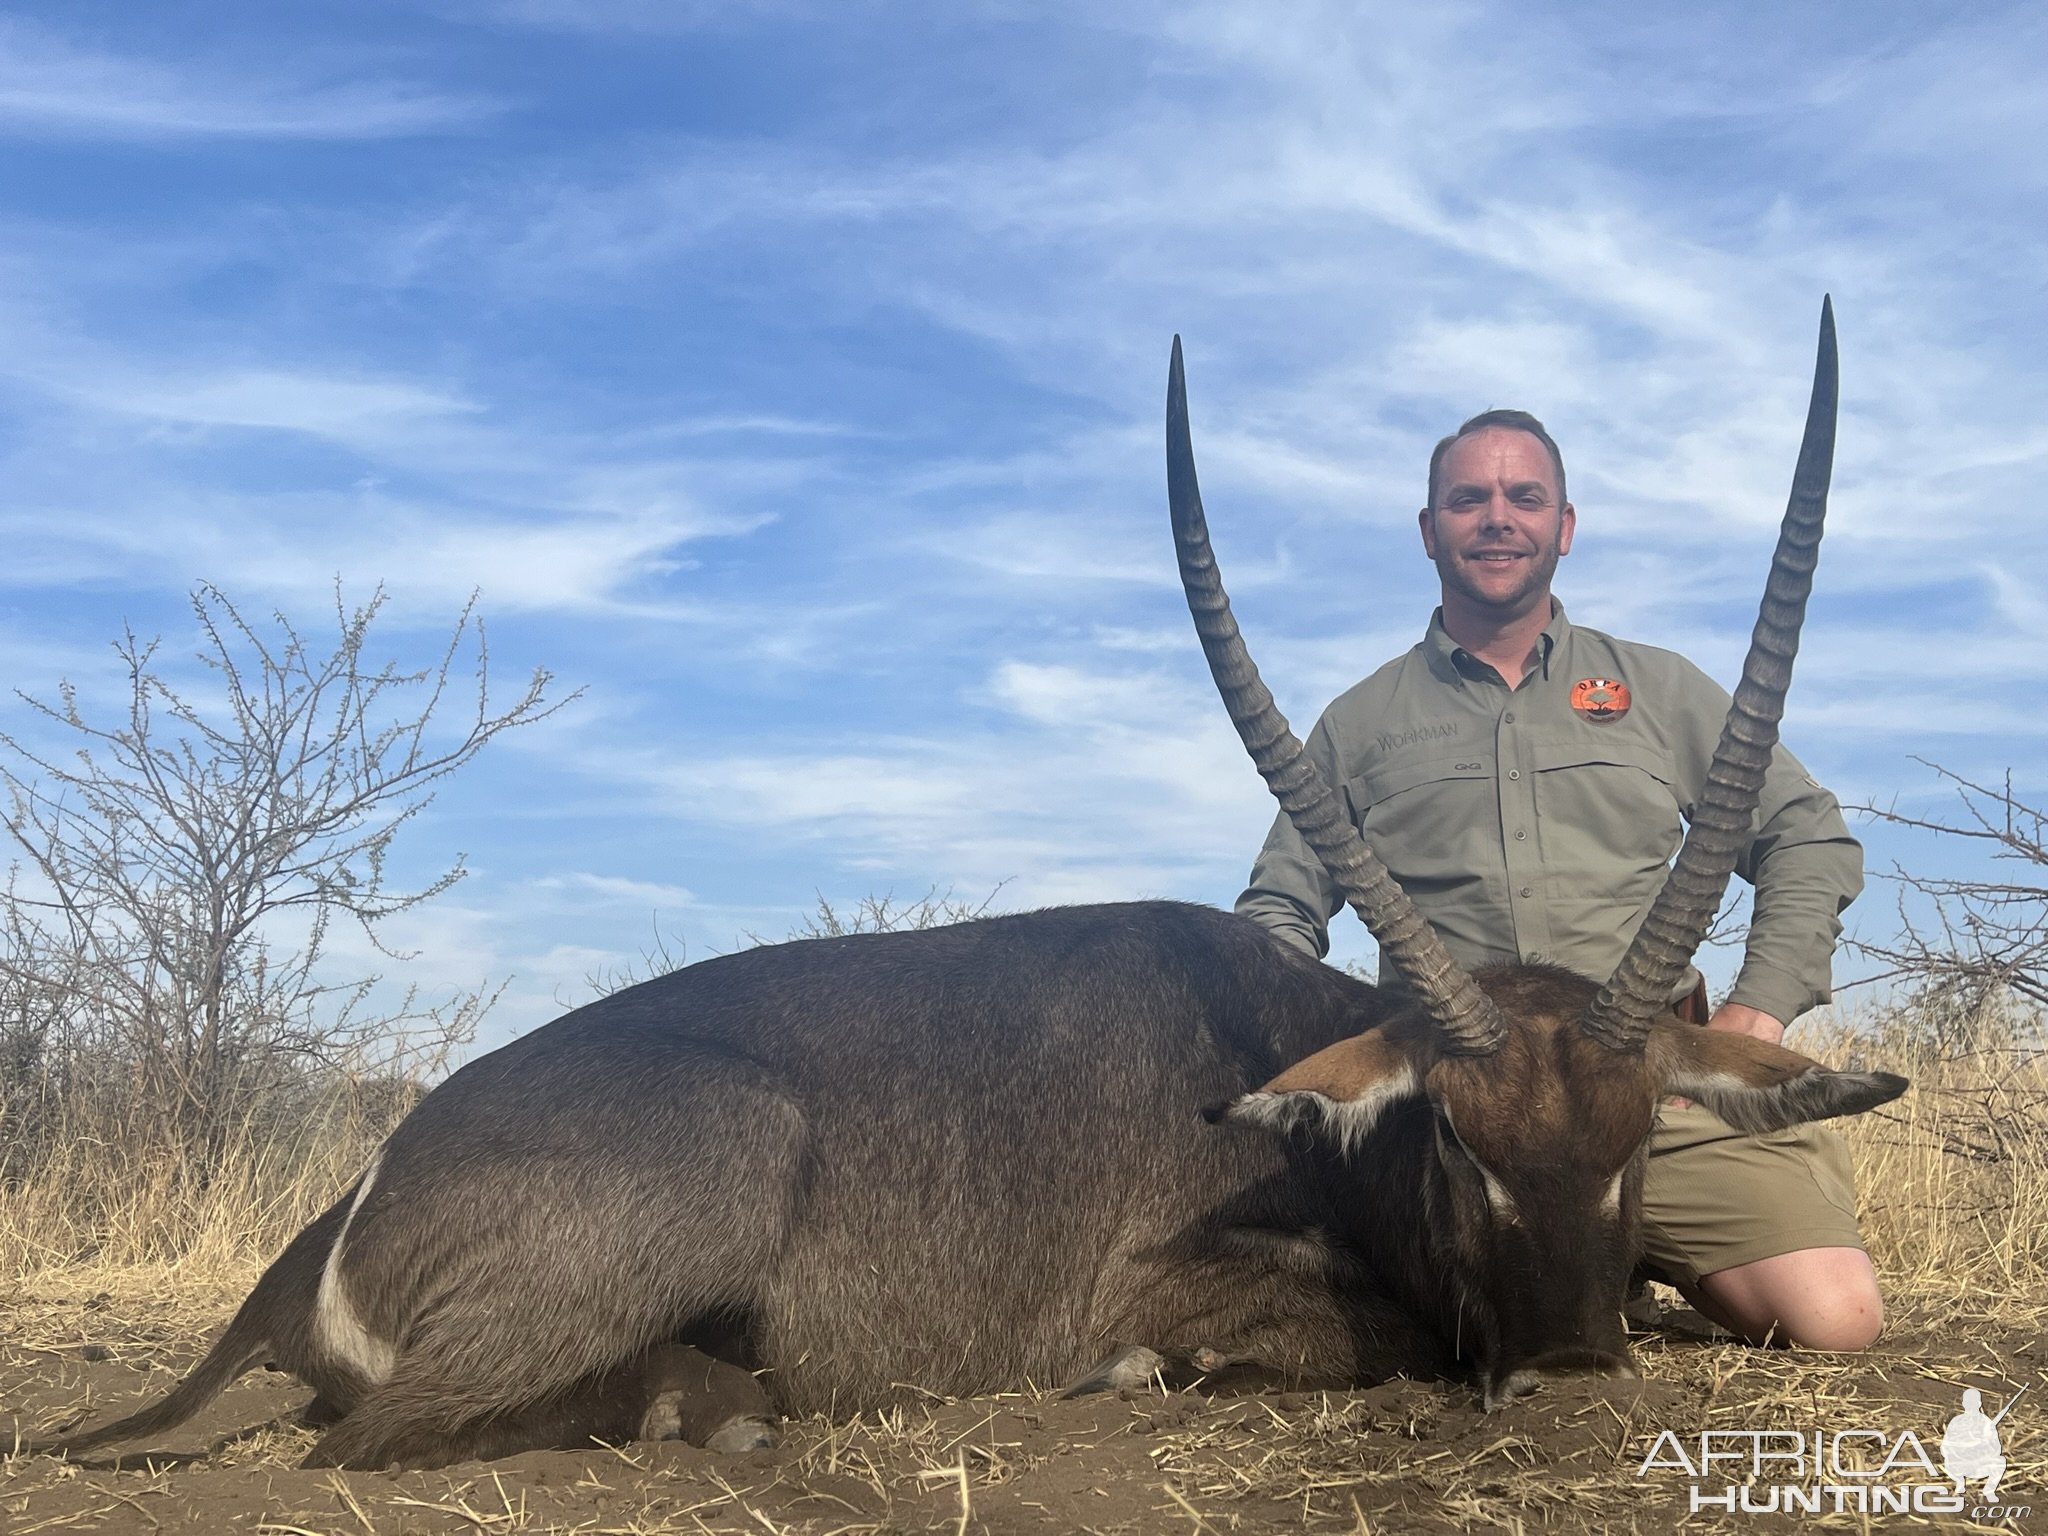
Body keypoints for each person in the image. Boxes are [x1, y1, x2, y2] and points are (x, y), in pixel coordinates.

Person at [1236, 408, 1881, 1351]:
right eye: (1468, 498)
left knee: (1835, 1321)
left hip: (1646, 1097)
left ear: (1564, 527)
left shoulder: (1659, 690)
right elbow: (1276, 915)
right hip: (1458, 1124)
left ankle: (1623, 1261)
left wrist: (1761, 1008)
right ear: (1430, 531)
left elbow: (1808, 836)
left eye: (1524, 497)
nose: (1497, 517)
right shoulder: (1359, 721)